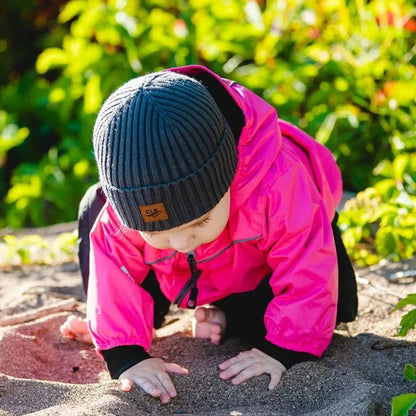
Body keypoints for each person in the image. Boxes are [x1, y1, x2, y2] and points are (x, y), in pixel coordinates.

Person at [60, 65, 358, 404]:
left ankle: (228, 314)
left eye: (199, 222)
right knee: (93, 207)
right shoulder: (129, 205)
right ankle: (129, 325)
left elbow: (308, 266)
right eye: (156, 230)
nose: (181, 241)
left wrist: (281, 352)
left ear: (228, 176)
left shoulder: (280, 182)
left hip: (258, 266)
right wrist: (126, 355)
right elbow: (112, 260)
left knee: (333, 308)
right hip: (181, 272)